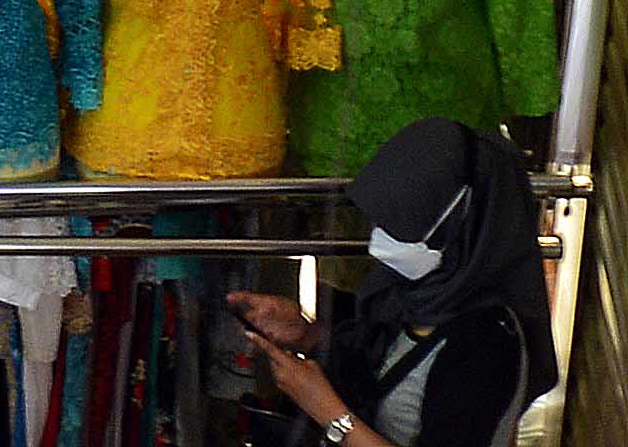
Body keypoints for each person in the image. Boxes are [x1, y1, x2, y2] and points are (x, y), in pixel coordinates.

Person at [234, 125, 559, 447]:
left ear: (458, 229)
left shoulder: (488, 345)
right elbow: (375, 367)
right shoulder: (412, 294)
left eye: (400, 229)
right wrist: (306, 335)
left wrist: (329, 412)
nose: (380, 240)